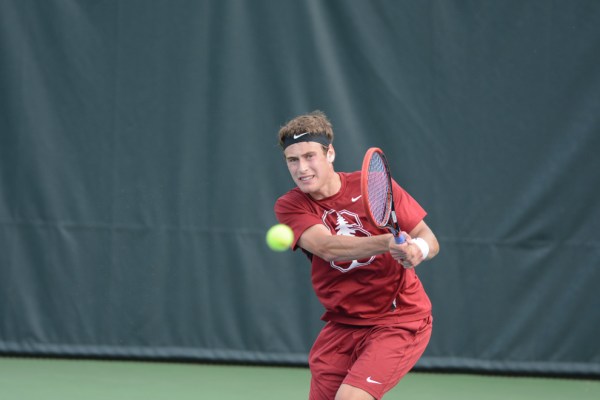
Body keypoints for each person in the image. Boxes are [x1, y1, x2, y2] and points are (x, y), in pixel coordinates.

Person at [273, 111, 440, 400]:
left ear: (330, 153)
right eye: (293, 160)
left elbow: (430, 239)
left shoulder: (374, 185)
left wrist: (417, 251)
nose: (302, 168)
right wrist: (387, 242)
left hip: (398, 319)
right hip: (343, 323)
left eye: (310, 156)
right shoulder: (291, 205)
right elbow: (327, 247)